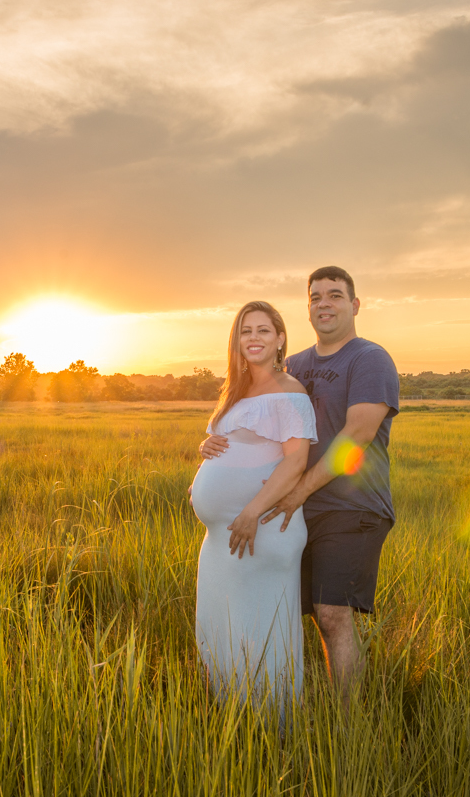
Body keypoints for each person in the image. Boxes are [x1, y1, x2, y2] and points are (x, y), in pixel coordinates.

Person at [199, 267, 399, 705]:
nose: (324, 304)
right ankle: (285, 697)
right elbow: (262, 421)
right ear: (307, 308)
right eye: (315, 297)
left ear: (355, 305)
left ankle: (348, 727)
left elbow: (357, 439)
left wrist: (298, 491)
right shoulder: (298, 365)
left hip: (352, 506)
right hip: (294, 510)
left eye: (335, 296)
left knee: (332, 615)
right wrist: (215, 440)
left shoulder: (369, 359)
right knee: (297, 611)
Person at [189, 301, 317, 715]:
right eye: (246, 331)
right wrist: (204, 450)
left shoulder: (289, 391)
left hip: (260, 529)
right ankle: (231, 718)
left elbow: (296, 461)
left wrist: (251, 512)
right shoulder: (236, 390)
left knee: (260, 628)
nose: (254, 338)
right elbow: (231, 446)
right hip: (222, 537)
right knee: (222, 626)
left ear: (280, 339)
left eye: (264, 330)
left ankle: (274, 727)